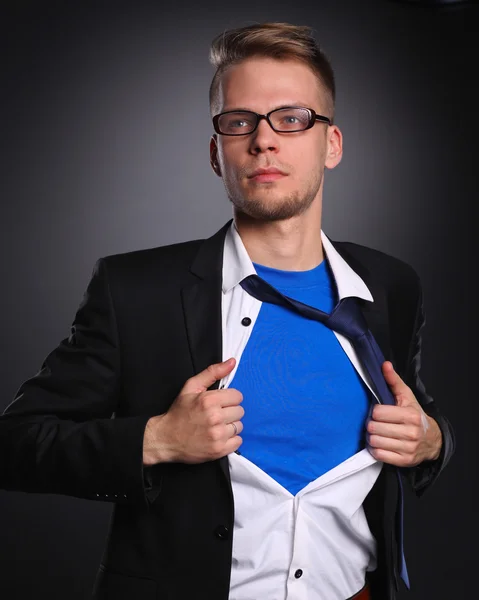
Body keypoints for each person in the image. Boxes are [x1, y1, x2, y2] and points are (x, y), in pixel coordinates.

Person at [0, 22, 454, 600]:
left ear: (331, 145)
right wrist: (156, 441)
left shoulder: (391, 285)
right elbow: (14, 444)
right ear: (218, 153)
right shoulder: (135, 291)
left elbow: (422, 418)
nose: (264, 140)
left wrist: (431, 440)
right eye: (240, 122)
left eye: (292, 119)